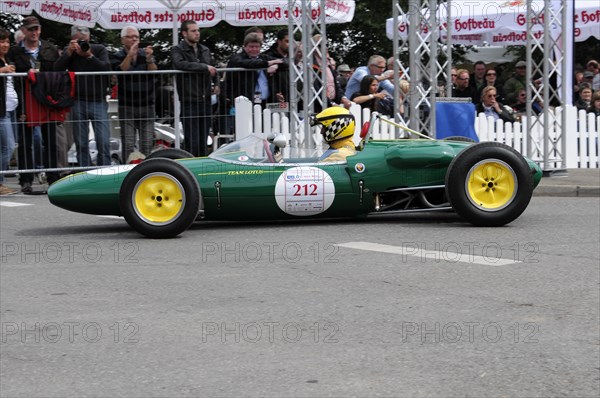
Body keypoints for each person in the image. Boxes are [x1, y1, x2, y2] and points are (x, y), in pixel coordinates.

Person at [8, 16, 60, 193]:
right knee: (25, 142)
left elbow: (57, 75)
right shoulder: (14, 51)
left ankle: (53, 177)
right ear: (23, 30)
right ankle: (26, 178)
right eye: (30, 29)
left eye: (36, 28)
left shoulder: (50, 49)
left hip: (46, 99)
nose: (34, 32)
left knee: (50, 141)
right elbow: (12, 78)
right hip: (25, 100)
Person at [54, 25, 111, 167]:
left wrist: (90, 56)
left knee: (103, 140)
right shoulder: (70, 52)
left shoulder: (99, 49)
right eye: (79, 41)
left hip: (98, 100)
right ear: (73, 40)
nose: (83, 45)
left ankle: (105, 171)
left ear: (90, 38)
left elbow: (106, 68)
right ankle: (84, 173)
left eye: (85, 41)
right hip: (78, 101)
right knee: (81, 142)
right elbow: (56, 69)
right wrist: (68, 53)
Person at [110, 25, 157, 162]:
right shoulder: (117, 55)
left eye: (136, 37)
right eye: (130, 37)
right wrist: (130, 55)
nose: (134, 39)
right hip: (127, 105)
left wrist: (149, 58)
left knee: (147, 143)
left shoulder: (145, 53)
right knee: (128, 144)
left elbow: (154, 72)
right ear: (123, 40)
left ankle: (147, 172)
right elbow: (120, 72)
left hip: (147, 104)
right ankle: (128, 174)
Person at [171, 20, 217, 157]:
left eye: (198, 30)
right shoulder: (177, 49)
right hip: (189, 98)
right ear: (184, 33)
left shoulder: (205, 49)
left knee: (204, 139)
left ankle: (203, 166)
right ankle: (191, 168)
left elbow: (214, 67)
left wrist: (217, 84)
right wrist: (204, 67)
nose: (197, 33)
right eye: (193, 31)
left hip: (206, 98)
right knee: (192, 140)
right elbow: (180, 64)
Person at [225, 32, 284, 108]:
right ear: (245, 46)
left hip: (267, 100)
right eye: (251, 46)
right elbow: (247, 63)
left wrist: (276, 65)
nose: (254, 49)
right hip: (246, 100)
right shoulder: (237, 58)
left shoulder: (263, 57)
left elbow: (285, 61)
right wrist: (268, 63)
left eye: (257, 47)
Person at [0, 28, 17, 195]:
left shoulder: (7, 59)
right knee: (9, 146)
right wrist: (2, 71)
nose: (5, 45)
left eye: (7, 41)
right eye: (2, 41)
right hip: (1, 112)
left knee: (7, 146)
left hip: (8, 109)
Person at [261, 29, 290, 103]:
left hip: (291, 96)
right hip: (273, 97)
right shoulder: (267, 55)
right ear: (279, 42)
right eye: (287, 41)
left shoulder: (293, 56)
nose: (290, 44)